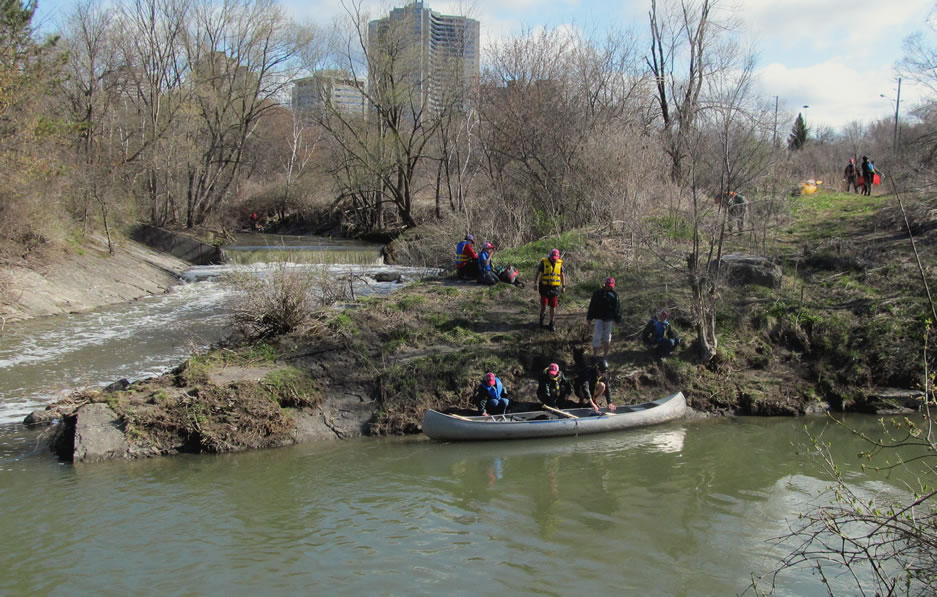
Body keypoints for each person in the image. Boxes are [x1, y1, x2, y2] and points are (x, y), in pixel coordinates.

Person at [586, 277, 621, 358]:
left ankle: (605, 355)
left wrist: (617, 319)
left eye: (611, 286)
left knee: (607, 337)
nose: (609, 287)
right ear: (605, 284)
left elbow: (617, 309)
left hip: (609, 319)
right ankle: (595, 355)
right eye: (608, 285)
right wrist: (589, 317)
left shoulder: (615, 296)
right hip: (599, 317)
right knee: (597, 336)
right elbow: (592, 305)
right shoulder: (597, 293)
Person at [535, 249, 566, 331]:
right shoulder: (544, 263)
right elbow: (537, 273)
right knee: (544, 305)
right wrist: (535, 283)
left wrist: (563, 286)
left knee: (553, 306)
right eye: (553, 258)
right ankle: (541, 320)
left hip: (554, 288)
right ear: (550, 256)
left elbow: (562, 275)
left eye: (555, 258)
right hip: (544, 287)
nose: (554, 259)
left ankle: (552, 323)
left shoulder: (560, 264)